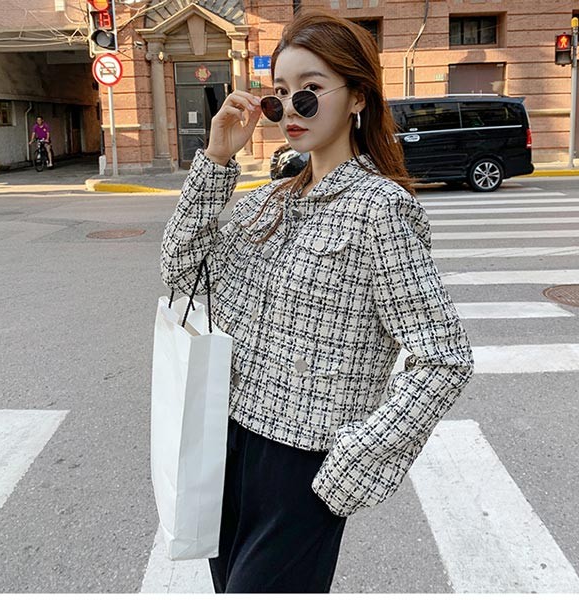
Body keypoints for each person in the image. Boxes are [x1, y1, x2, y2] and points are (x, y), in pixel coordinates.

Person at [160, 9, 474, 594]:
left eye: (309, 91)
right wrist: (216, 161)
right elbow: (179, 269)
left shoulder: (381, 210)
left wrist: (351, 463)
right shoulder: (270, 200)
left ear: (357, 98)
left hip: (303, 466)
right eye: (279, 95)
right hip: (225, 443)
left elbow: (444, 359)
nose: (290, 110)